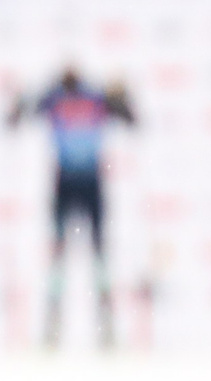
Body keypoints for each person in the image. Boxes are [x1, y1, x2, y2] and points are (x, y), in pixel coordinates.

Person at [10, 65, 134, 346]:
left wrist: (123, 97)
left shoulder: (94, 98)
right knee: (59, 254)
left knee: (98, 253)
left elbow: (129, 117)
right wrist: (20, 101)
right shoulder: (57, 97)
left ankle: (107, 327)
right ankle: (53, 327)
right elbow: (17, 117)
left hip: (89, 182)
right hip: (66, 182)